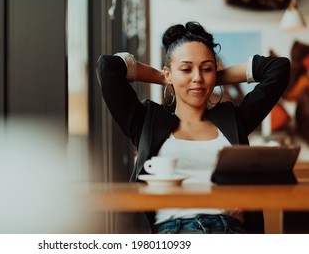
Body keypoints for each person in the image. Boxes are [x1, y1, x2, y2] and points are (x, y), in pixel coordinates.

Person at [96, 21, 290, 234]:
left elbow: (278, 69)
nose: (197, 78)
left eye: (206, 68)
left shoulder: (234, 120)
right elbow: (108, 67)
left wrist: (213, 78)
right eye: (186, 69)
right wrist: (165, 78)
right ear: (169, 73)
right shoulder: (147, 122)